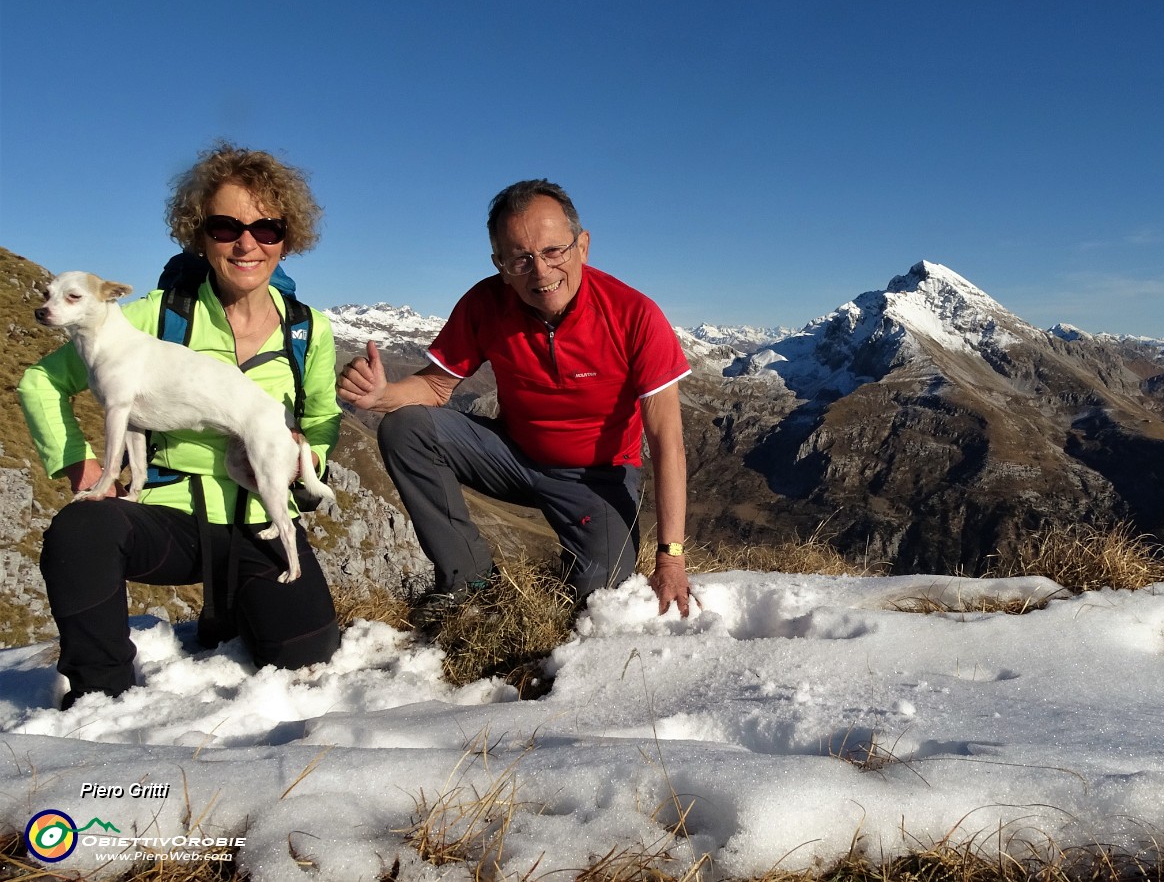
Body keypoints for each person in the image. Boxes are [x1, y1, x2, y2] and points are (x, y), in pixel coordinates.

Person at [18, 143, 342, 709]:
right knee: (82, 531)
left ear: (288, 239)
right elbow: (39, 384)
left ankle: (245, 607)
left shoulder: (307, 331)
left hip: (257, 520)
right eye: (225, 227)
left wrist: (305, 452)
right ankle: (100, 697)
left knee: (305, 658)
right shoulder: (148, 316)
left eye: (267, 228)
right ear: (199, 235)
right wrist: (84, 465)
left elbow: (320, 421)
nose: (247, 243)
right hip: (167, 519)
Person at [336, 179, 694, 621]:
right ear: (500, 264)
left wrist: (671, 559)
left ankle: (579, 567)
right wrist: (382, 394)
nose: (540, 272)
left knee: (599, 601)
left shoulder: (634, 314)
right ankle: (468, 582)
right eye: (520, 258)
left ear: (582, 245)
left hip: (598, 477)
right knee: (405, 427)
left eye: (553, 251)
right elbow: (434, 387)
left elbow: (667, 441)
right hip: (513, 455)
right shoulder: (485, 303)